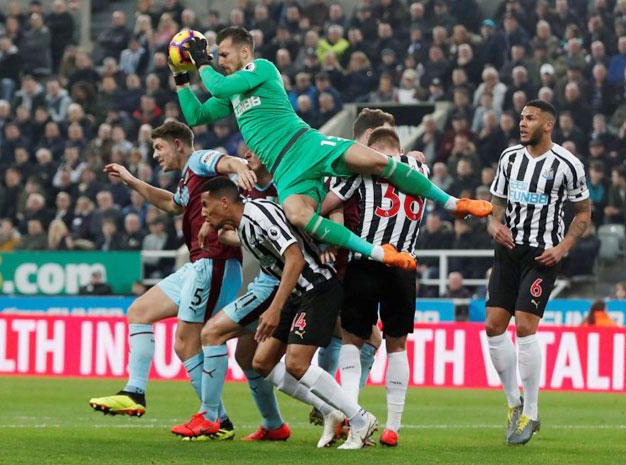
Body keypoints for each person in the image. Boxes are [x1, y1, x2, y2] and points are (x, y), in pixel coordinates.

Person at [171, 27, 492, 272]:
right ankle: (380, 252)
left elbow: (219, 84)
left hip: (307, 143)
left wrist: (203, 63)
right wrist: (182, 81)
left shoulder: (262, 69)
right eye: (216, 56)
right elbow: (196, 116)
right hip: (284, 168)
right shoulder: (232, 93)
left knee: (376, 162)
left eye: (223, 55)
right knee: (297, 215)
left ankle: (453, 203)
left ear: (244, 52)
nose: (219, 61)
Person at [88, 121, 254, 442]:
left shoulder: (198, 160)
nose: (156, 155)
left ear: (178, 144)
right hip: (196, 264)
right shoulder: (187, 181)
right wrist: (133, 181)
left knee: (189, 341)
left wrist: (241, 166)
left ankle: (215, 420)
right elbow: (170, 204)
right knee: (139, 312)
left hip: (214, 262)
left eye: (159, 147)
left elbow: (225, 161)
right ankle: (135, 392)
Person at [200, 177, 378, 450]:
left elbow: (294, 257)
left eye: (205, 205)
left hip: (317, 287)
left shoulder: (258, 215)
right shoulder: (246, 225)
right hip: (297, 294)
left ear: (224, 202)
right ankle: (330, 410)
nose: (203, 212)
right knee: (262, 363)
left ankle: (359, 418)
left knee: (297, 363)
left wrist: (274, 308)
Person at [486, 100, 590, 445]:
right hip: (508, 251)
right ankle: (513, 404)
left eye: (530, 118)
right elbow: (495, 204)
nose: (522, 123)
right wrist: (493, 224)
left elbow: (583, 213)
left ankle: (531, 411)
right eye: (521, 118)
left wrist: (562, 248)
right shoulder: (509, 158)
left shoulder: (568, 165)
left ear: (548, 125)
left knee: (525, 323)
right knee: (493, 325)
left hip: (542, 255)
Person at [174, 149, 291, 442]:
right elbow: (245, 227)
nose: (246, 155)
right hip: (269, 279)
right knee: (247, 356)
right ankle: (274, 424)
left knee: (212, 332)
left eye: (253, 150)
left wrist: (229, 235)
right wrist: (214, 225)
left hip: (280, 283)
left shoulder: (286, 187)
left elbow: (289, 244)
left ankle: (210, 417)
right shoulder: (248, 191)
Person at [321, 126, 427, 447]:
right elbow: (413, 156)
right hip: (405, 266)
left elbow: (328, 203)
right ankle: (393, 426)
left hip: (366, 260)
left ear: (374, 149)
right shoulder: (419, 168)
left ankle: (353, 417)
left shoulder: (364, 169)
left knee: (352, 340)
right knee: (397, 345)